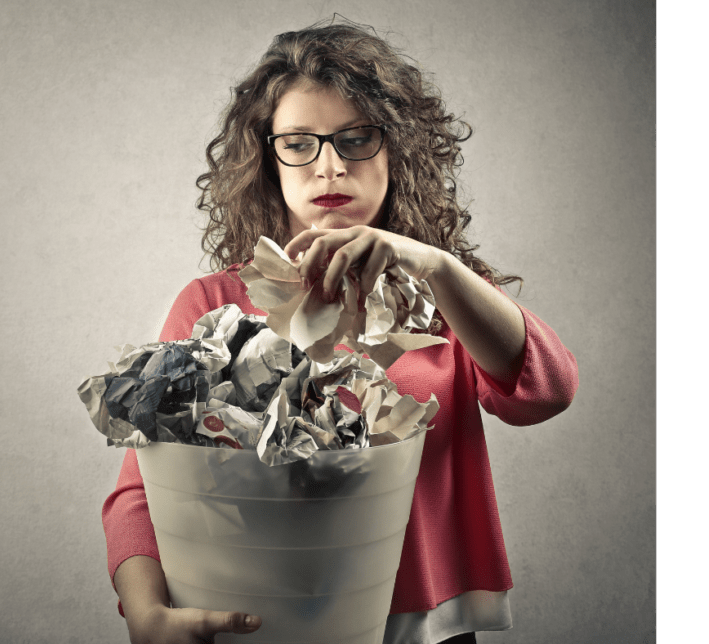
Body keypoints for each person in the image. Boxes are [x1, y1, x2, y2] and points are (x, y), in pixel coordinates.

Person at [102, 19, 578, 644]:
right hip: (265, 623)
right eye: (298, 143)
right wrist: (146, 613)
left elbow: (545, 392)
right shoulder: (213, 303)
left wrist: (435, 265)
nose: (328, 166)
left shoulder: (447, 294)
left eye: (356, 139)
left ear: (396, 150)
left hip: (427, 626)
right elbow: (145, 486)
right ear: (267, 159)